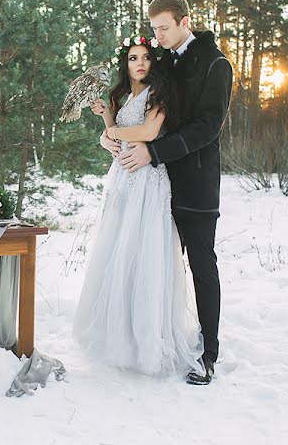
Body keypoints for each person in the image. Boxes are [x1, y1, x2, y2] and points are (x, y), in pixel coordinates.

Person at [108, 0, 233, 385]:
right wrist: (110, 132)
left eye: (164, 28)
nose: (157, 36)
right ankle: (149, 338)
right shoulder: (161, 61)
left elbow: (207, 128)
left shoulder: (216, 65)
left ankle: (208, 352)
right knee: (150, 261)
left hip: (193, 181)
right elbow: (139, 103)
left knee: (200, 263)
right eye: (154, 29)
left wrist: (154, 152)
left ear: (184, 21)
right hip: (153, 186)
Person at [73, 36, 205, 378]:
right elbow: (119, 139)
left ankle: (146, 338)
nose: (141, 63)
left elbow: (147, 130)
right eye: (133, 58)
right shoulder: (123, 96)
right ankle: (121, 335)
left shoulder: (158, 95)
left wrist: (112, 131)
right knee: (119, 250)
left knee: (143, 249)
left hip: (147, 177)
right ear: (126, 64)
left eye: (146, 57)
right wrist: (106, 122)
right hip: (122, 178)